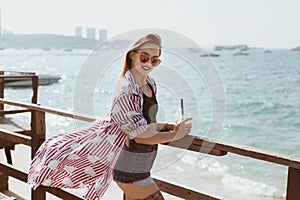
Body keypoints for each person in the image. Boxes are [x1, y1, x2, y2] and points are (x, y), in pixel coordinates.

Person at [27, 33, 192, 200]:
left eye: (155, 60)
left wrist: (171, 126)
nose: (149, 63)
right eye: (144, 57)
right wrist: (176, 134)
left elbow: (146, 123)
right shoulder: (126, 89)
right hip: (130, 167)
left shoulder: (150, 84)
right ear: (132, 55)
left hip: (142, 163)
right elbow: (140, 136)